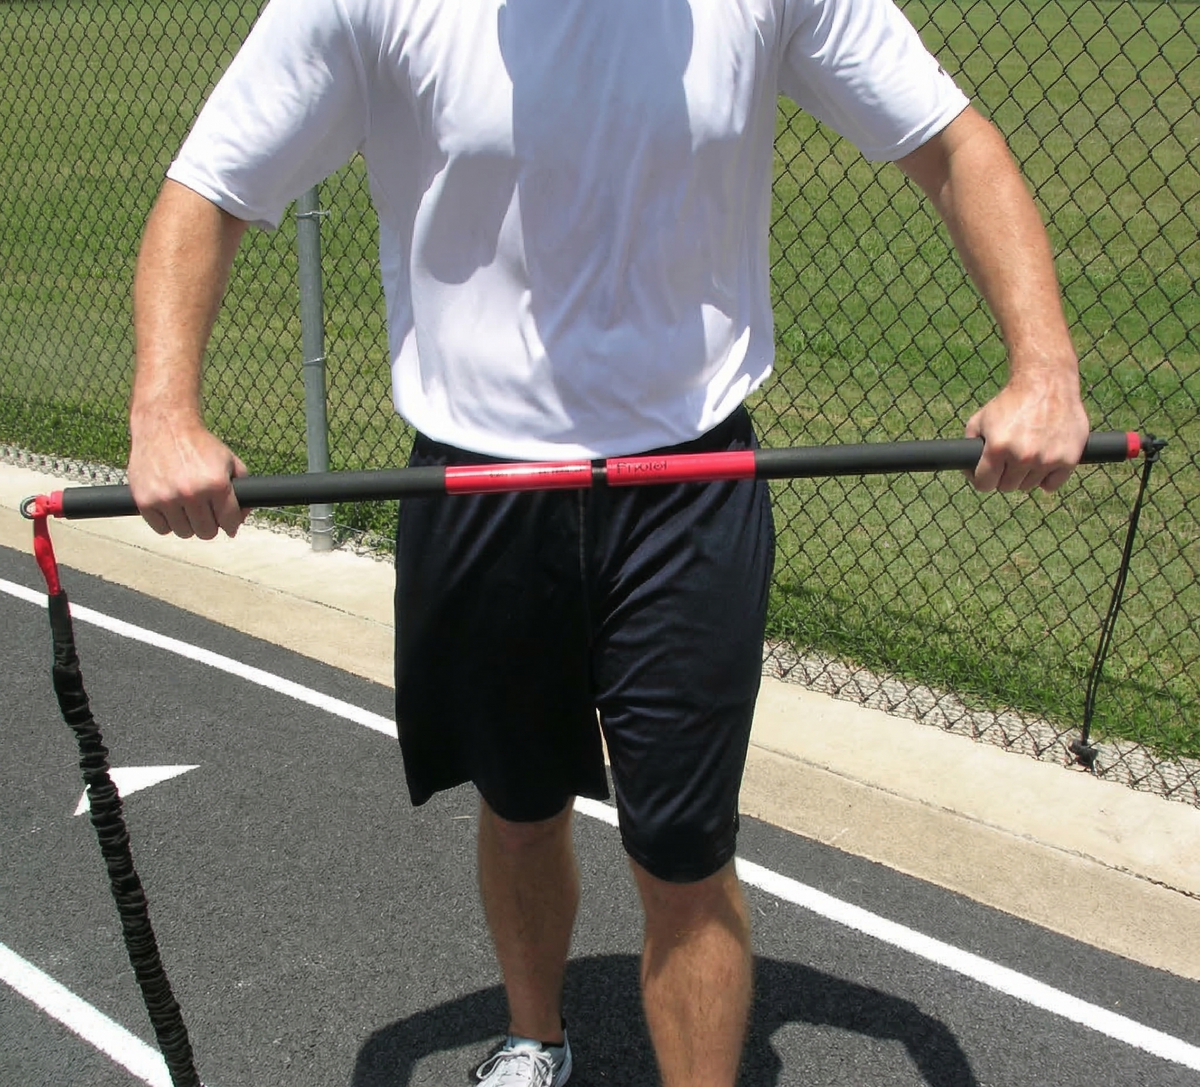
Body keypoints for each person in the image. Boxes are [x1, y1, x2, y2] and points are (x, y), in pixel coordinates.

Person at [126, 1, 1090, 1083]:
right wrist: (165, 410)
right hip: (480, 479)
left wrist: (1044, 366)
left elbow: (954, 143)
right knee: (523, 806)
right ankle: (536, 1036)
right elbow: (209, 185)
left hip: (689, 483)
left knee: (683, 852)